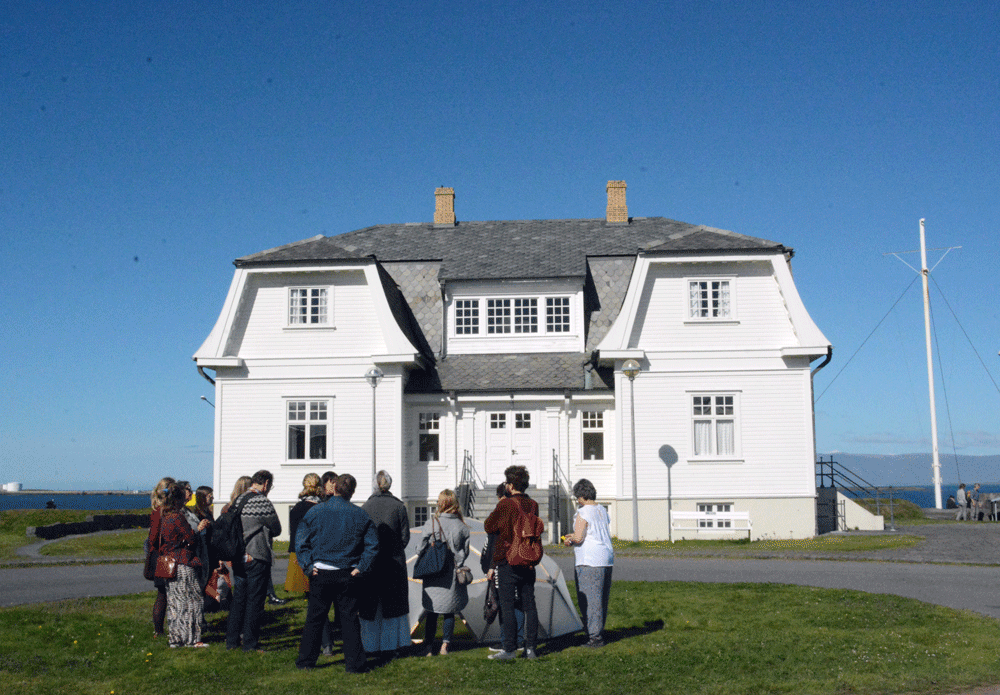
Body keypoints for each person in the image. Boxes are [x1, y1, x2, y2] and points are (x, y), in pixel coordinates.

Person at [294, 473, 379, 673]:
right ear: (353, 491)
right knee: (349, 620)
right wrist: (361, 567)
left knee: (315, 618)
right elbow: (372, 546)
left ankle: (306, 662)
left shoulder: (316, 512)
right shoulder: (360, 514)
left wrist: (307, 564)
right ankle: (355, 665)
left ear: (334, 488)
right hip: (347, 574)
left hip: (321, 573)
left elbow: (300, 541)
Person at [484, 465, 540, 660]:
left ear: (510, 485)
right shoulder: (533, 504)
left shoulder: (505, 505)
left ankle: (509, 649)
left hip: (507, 560)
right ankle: (531, 648)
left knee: (507, 605)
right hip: (528, 559)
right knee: (529, 605)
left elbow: (489, 526)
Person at [225, 470, 281, 653]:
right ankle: (250, 643)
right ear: (265, 484)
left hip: (238, 556)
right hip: (255, 554)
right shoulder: (262, 501)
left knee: (239, 599)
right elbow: (277, 528)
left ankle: (232, 641)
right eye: (270, 486)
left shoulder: (239, 499)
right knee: (255, 601)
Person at [360, 470, 411, 661]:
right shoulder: (399, 506)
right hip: (394, 561)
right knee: (393, 606)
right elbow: (405, 537)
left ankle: (371, 646)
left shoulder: (365, 507)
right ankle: (393, 645)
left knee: (371, 606)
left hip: (372, 562)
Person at [418, 489, 470, 656]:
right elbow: (465, 552)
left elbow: (420, 548)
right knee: (449, 611)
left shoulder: (431, 523)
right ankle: (444, 646)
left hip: (432, 572)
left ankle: (428, 646)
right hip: (451, 573)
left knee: (432, 611)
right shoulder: (462, 527)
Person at [562, 478, 614, 647]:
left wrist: (569, 539)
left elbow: (579, 537)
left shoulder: (583, 512)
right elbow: (592, 531)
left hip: (589, 559)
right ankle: (598, 631)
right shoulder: (602, 510)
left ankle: (594, 637)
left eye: (578, 497)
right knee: (601, 598)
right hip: (606, 557)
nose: (577, 500)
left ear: (581, 497)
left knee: (590, 599)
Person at [159, 483, 210, 647]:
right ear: (179, 499)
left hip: (170, 562)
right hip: (182, 561)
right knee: (193, 600)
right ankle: (192, 638)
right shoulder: (178, 517)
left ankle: (175, 638)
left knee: (174, 601)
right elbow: (190, 538)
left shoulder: (165, 516)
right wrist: (197, 531)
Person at [481, 482, 524, 652]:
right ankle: (517, 639)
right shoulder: (521, 510)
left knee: (504, 604)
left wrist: (490, 566)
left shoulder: (501, 512)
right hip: (520, 561)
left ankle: (508, 640)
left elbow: (493, 542)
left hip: (502, 564)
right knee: (517, 602)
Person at [147, 476, 175, 639]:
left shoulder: (157, 510)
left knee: (163, 594)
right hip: (163, 555)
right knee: (164, 593)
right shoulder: (161, 512)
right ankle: (159, 629)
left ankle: (160, 629)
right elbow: (153, 537)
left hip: (160, 555)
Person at [286, 473, 323, 595]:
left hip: (299, 549)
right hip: (316, 550)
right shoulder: (321, 507)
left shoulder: (297, 507)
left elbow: (294, 531)